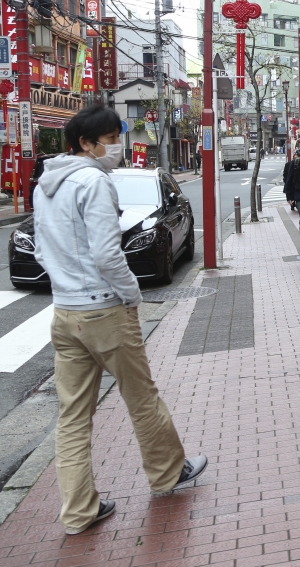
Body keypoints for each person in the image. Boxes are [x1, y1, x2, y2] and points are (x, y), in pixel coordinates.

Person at [32, 105, 207, 536]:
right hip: (105, 309)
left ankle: (78, 512)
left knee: (73, 414)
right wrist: (131, 296)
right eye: (109, 139)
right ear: (86, 144)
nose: (117, 146)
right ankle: (168, 473)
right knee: (140, 396)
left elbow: (39, 248)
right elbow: (108, 253)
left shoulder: (44, 185)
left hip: (65, 312)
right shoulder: (94, 182)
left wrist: (64, 283)